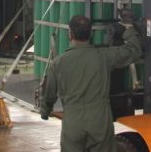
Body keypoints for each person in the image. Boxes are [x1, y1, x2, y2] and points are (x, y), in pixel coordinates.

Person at [40, 11, 142, 152]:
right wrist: (129, 28)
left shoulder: (58, 63)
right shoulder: (104, 57)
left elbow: (49, 93)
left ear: (70, 34)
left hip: (73, 122)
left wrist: (45, 111)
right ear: (91, 34)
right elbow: (133, 51)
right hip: (99, 121)